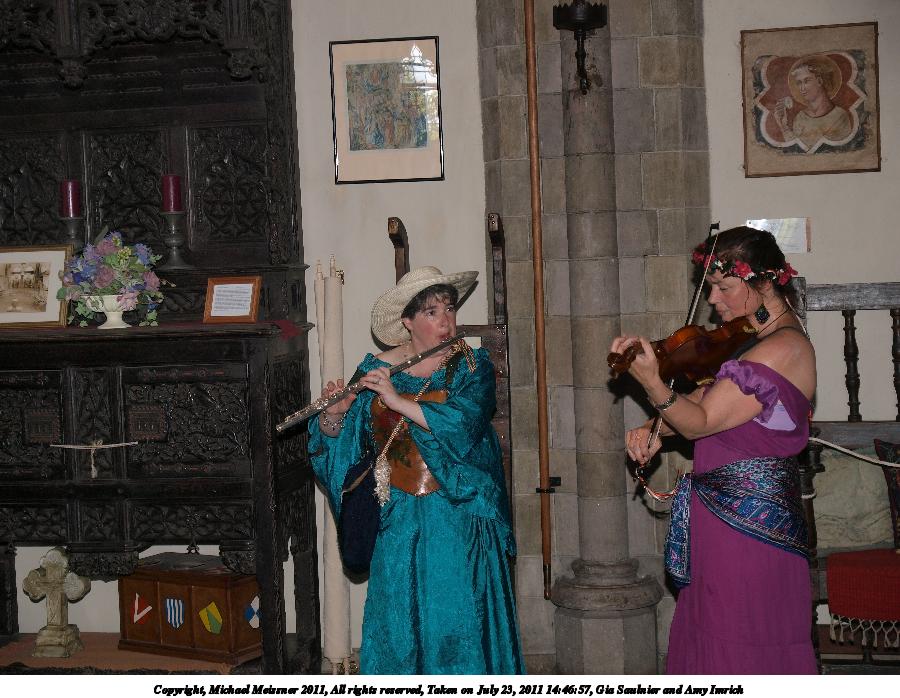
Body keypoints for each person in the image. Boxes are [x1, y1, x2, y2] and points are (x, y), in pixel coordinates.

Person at [609, 226, 817, 674]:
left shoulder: (783, 348)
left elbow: (701, 422)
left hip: (752, 530)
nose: (712, 299)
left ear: (764, 282)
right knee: (714, 633)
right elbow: (706, 404)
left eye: (724, 287)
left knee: (742, 643)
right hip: (723, 522)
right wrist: (652, 429)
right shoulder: (752, 342)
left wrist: (651, 382)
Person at [308, 266, 525, 674]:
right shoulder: (375, 369)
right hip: (398, 518)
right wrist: (333, 415)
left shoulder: (471, 366)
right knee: (398, 627)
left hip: (457, 516)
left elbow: (463, 425)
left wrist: (396, 400)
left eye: (449, 309)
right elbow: (344, 448)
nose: (445, 321)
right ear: (407, 321)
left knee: (457, 625)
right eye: (431, 312)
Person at [775, 57, 852, 151]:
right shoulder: (800, 118)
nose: (802, 88)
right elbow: (798, 151)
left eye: (806, 81)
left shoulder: (840, 116)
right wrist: (784, 127)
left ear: (820, 81)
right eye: (799, 83)